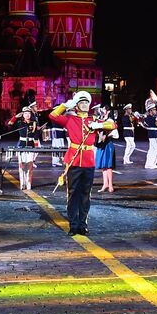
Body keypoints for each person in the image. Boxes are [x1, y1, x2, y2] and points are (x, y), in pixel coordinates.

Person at [48, 92, 115, 236]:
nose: (84, 105)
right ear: (77, 105)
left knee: (85, 194)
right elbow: (52, 115)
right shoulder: (70, 119)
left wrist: (98, 124)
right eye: (81, 103)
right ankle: (73, 225)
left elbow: (113, 125)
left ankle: (83, 224)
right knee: (73, 194)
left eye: (86, 103)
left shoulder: (93, 119)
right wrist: (66, 105)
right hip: (74, 160)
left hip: (88, 161)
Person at [11, 105, 41, 191]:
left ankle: (29, 184)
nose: (27, 115)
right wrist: (15, 117)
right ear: (23, 115)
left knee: (30, 166)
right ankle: (22, 184)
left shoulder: (34, 123)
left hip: (31, 145)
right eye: (25, 113)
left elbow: (36, 136)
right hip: (21, 145)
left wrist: (36, 147)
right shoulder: (19, 123)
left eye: (29, 113)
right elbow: (9, 124)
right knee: (22, 166)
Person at [93, 106, 116, 193]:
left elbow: (113, 130)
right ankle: (105, 184)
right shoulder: (100, 119)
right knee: (103, 165)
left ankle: (110, 185)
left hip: (107, 144)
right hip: (101, 144)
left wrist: (105, 134)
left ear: (108, 111)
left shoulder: (110, 120)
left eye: (104, 109)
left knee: (108, 165)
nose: (102, 110)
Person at [142, 100, 157, 169]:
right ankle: (150, 164)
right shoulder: (148, 118)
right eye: (154, 110)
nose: (155, 111)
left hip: (155, 134)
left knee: (155, 149)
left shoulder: (153, 117)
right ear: (150, 111)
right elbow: (156, 123)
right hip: (152, 135)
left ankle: (151, 164)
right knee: (156, 149)